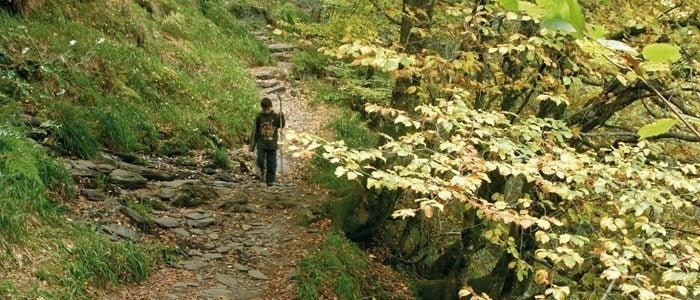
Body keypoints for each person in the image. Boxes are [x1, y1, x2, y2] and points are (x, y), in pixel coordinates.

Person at [249, 96, 285, 186]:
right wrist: (252, 146)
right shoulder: (259, 116)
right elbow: (255, 131)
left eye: (268, 108)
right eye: (264, 109)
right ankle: (262, 172)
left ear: (270, 107)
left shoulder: (275, 116)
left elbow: (281, 126)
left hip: (272, 144)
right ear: (262, 108)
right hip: (261, 143)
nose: (266, 111)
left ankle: (270, 180)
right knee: (260, 160)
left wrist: (282, 118)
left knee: (272, 163)